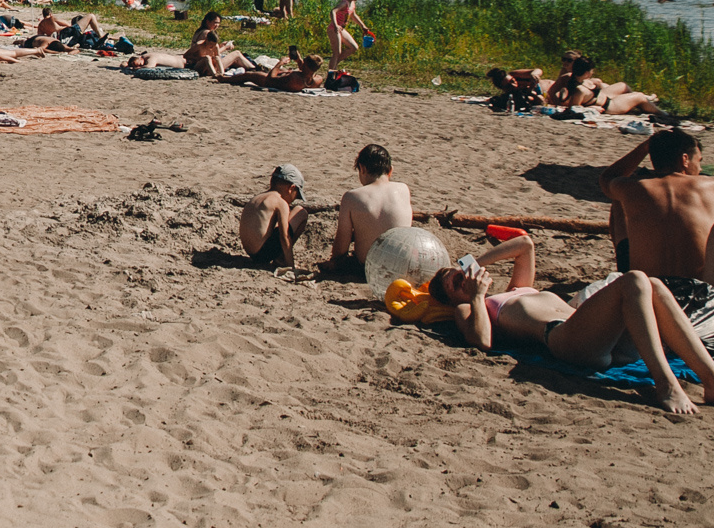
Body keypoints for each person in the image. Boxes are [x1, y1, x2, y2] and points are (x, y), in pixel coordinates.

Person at [420, 233, 714, 415]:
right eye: (457, 282)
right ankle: (665, 384)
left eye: (460, 273)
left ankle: (711, 378)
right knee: (634, 279)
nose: (464, 279)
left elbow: (525, 245)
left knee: (653, 285)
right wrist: (476, 295)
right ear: (452, 298)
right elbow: (482, 341)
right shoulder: (469, 308)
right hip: (566, 339)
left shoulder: (514, 291)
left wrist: (470, 263)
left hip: (599, 334)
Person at [601, 133, 714, 350]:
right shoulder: (710, 186)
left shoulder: (631, 187)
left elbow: (608, 177)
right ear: (684, 159)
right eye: (698, 161)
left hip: (647, 294)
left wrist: (645, 147)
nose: (699, 169)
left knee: (617, 204)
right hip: (699, 293)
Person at [318, 144, 411, 274]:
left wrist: (335, 260)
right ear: (390, 170)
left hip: (368, 268)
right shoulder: (403, 189)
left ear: (362, 168)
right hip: (401, 266)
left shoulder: (351, 197)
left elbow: (341, 246)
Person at [239, 165, 308, 268]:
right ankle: (282, 259)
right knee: (301, 212)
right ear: (291, 188)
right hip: (263, 254)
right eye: (296, 195)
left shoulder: (257, 198)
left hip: (251, 253)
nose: (294, 200)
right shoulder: (280, 202)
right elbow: (284, 237)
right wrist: (291, 266)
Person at [184, 12, 259, 78]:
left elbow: (208, 48)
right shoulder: (207, 33)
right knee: (237, 54)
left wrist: (221, 46)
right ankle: (254, 69)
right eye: (215, 22)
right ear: (208, 22)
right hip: (207, 65)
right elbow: (209, 52)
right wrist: (225, 47)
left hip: (205, 63)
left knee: (235, 59)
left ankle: (253, 69)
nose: (217, 25)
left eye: (218, 23)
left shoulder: (200, 31)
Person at [228, 51, 327, 92]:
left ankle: (223, 78)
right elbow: (306, 71)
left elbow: (271, 79)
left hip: (271, 82)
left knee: (249, 75)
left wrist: (280, 63)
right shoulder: (318, 80)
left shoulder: (294, 78)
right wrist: (299, 60)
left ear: (306, 64)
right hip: (286, 79)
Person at [327, 0, 368, 72]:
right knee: (337, 52)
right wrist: (335, 25)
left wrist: (363, 26)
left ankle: (334, 66)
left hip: (341, 29)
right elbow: (333, 11)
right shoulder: (344, 3)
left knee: (354, 47)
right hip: (334, 29)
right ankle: (331, 74)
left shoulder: (352, 3)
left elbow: (353, 15)